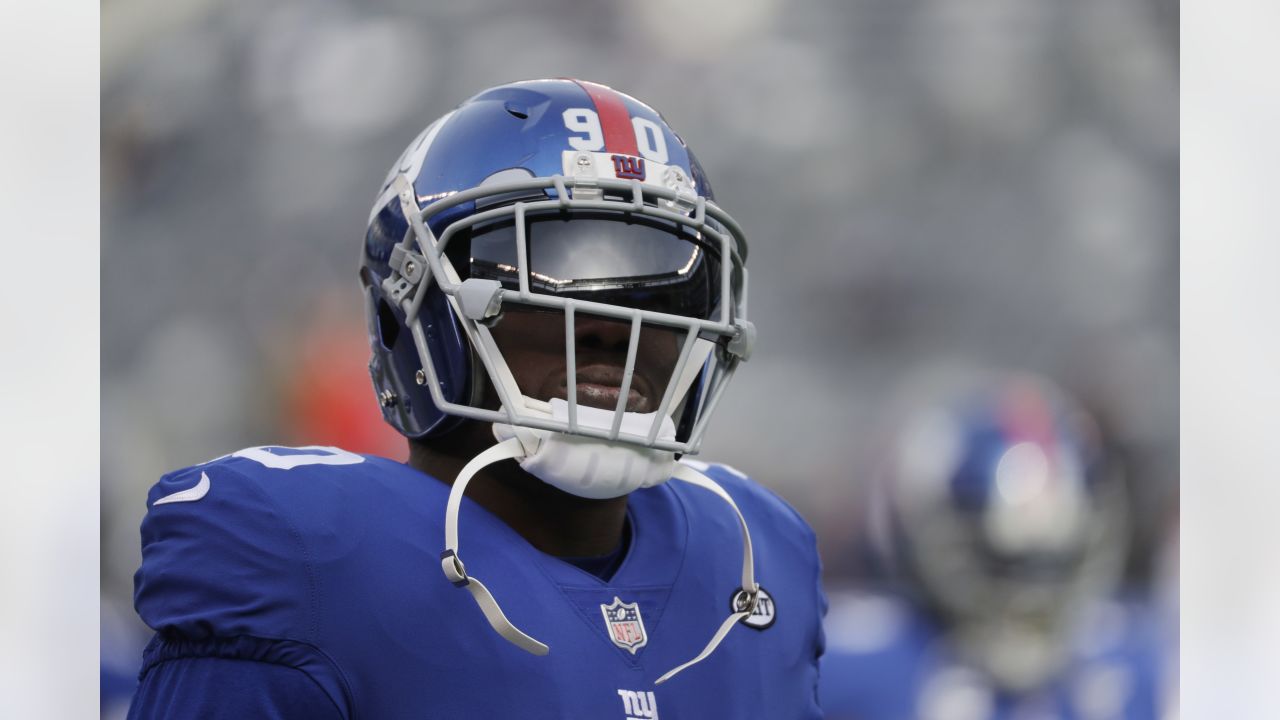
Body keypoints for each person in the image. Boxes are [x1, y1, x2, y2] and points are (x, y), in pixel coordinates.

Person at [128, 79, 825, 718]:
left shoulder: (754, 555)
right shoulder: (304, 557)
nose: (616, 325)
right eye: (557, 271)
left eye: (665, 287)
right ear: (415, 310)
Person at [819, 371, 1165, 720]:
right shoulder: (853, 664)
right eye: (1001, 564)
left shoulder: (1140, 661)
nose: (1032, 594)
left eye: (1055, 564)